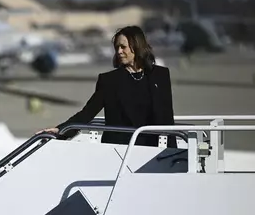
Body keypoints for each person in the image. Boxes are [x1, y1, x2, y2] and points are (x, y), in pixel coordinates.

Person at [36, 25, 177, 148]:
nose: (119, 51)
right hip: (118, 151)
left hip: (152, 151)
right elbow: (87, 113)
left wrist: (174, 154)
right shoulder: (109, 80)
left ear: (137, 46)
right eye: (117, 48)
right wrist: (60, 130)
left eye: (123, 47)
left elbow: (167, 118)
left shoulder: (160, 75)